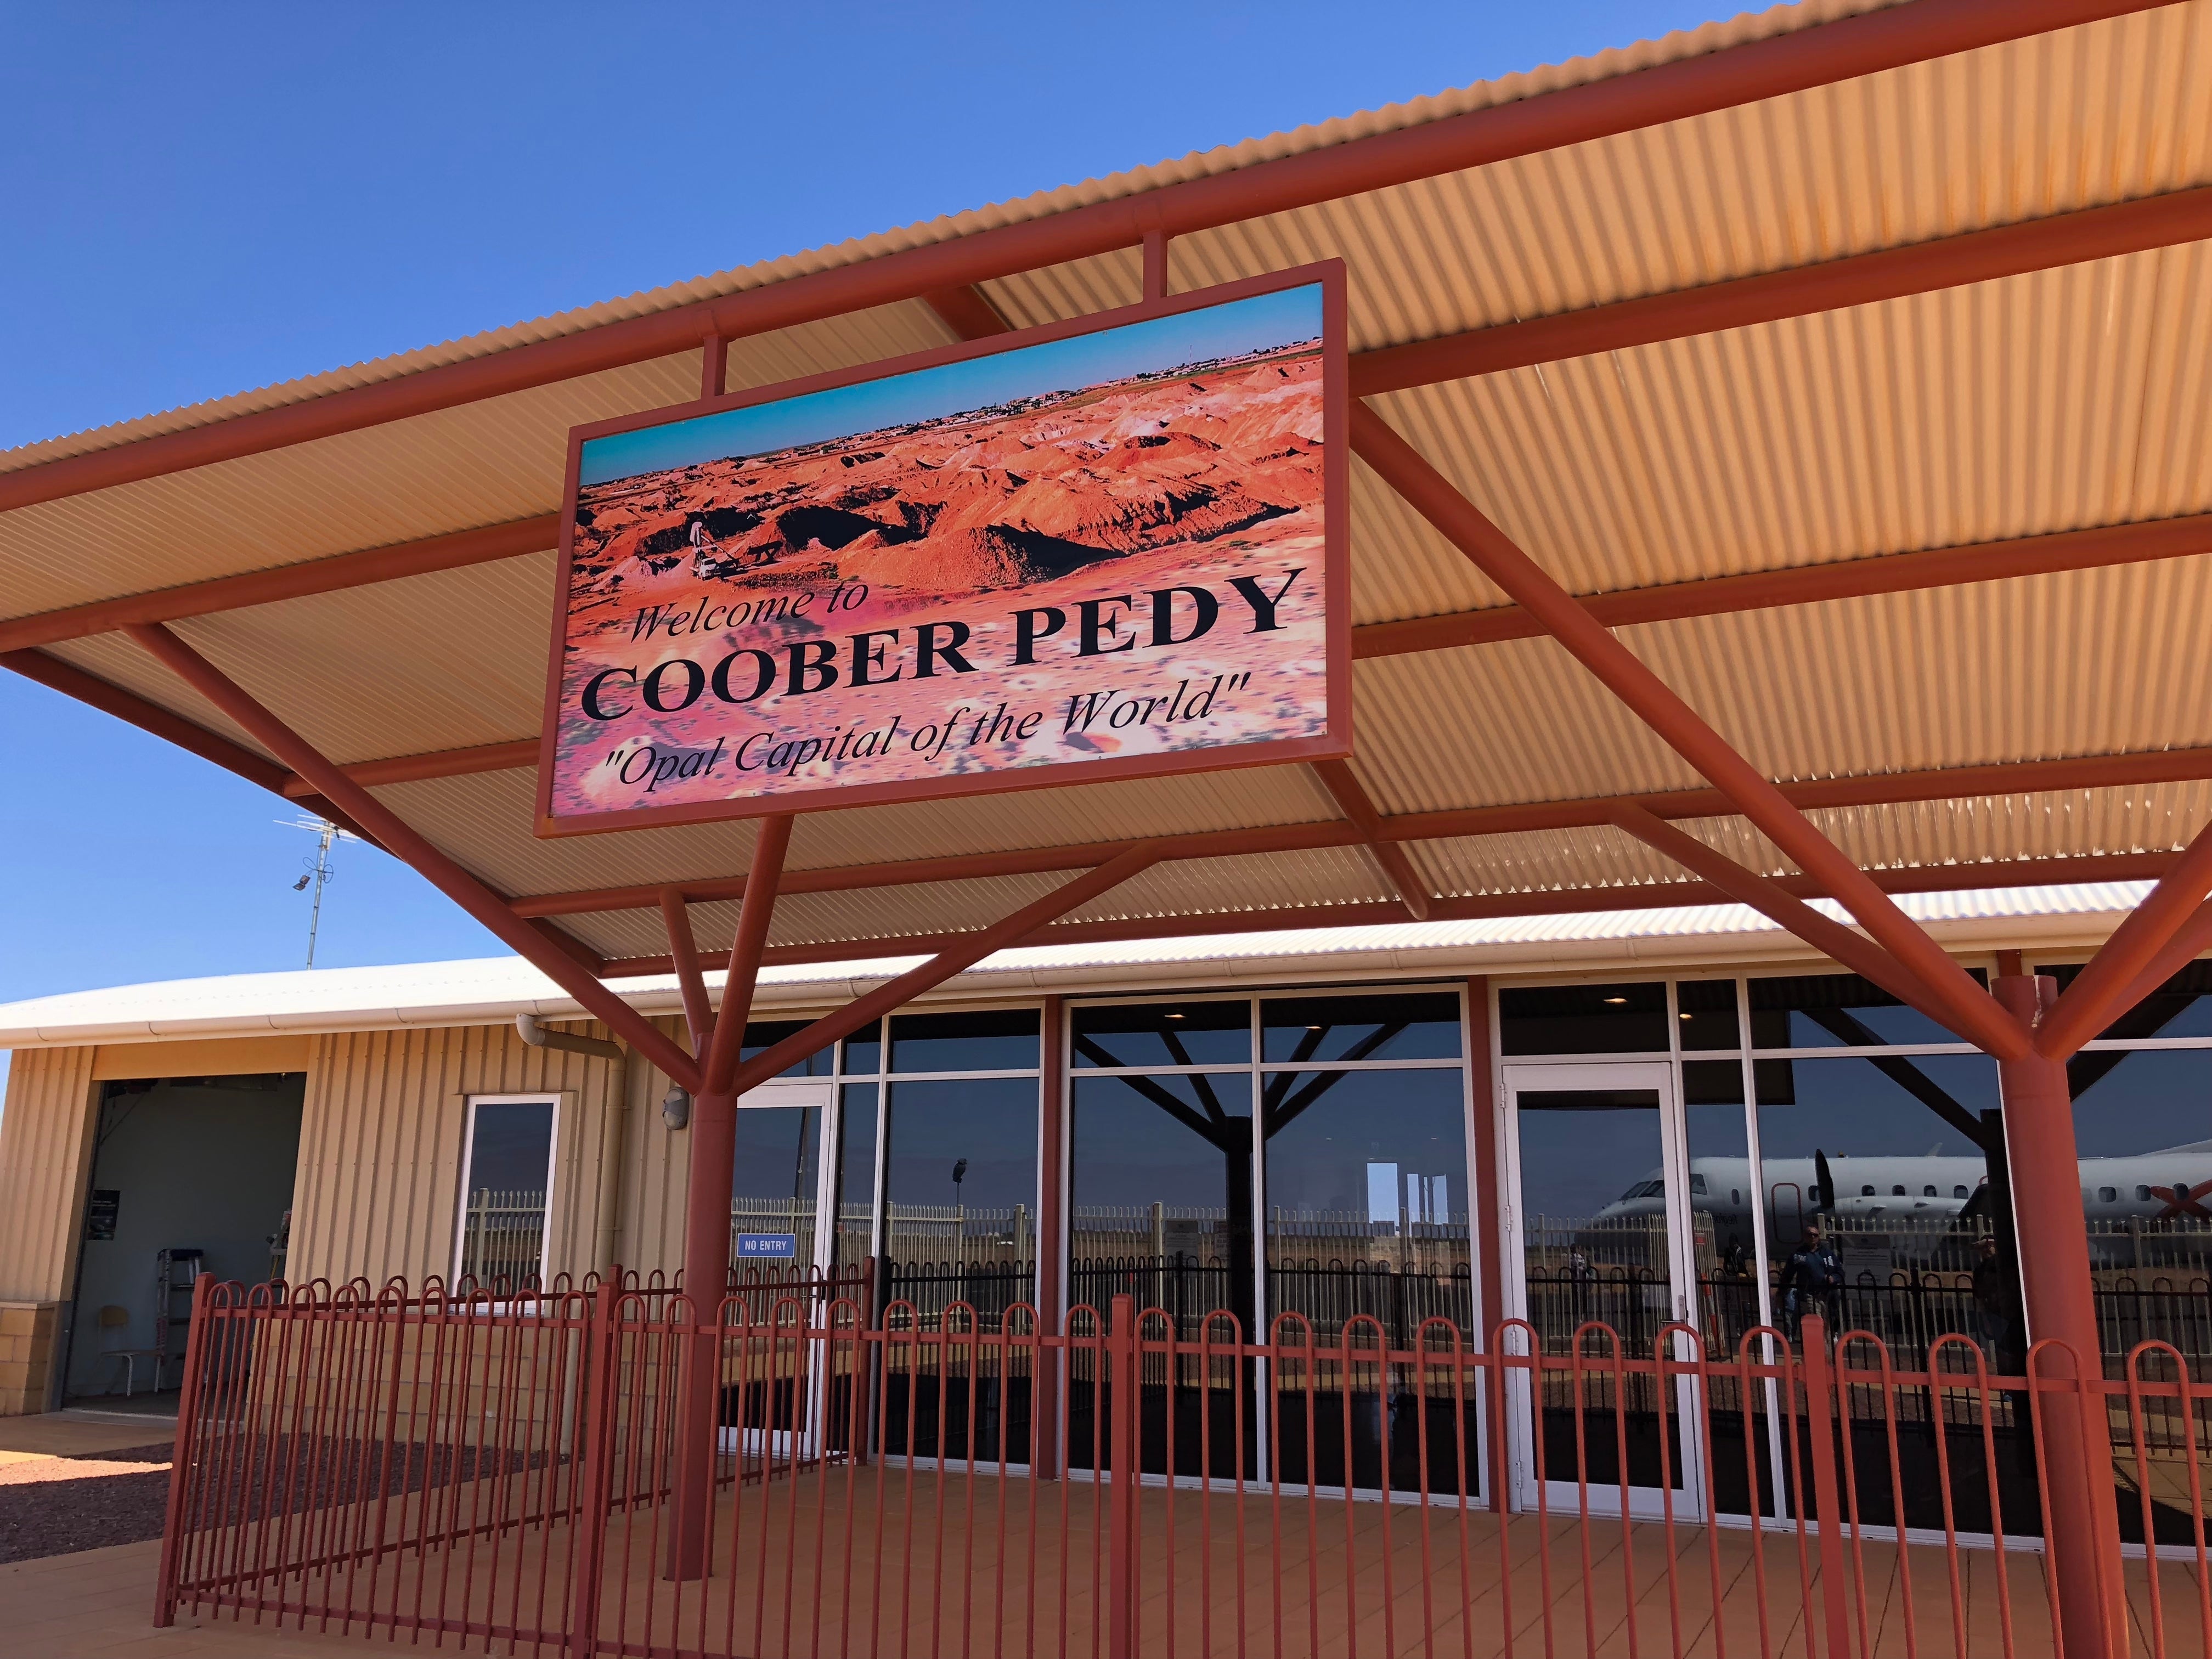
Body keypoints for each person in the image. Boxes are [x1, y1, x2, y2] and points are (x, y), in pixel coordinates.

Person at [1778, 1223, 1842, 1339]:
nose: (1812, 1237)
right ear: (1804, 1236)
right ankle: (1816, 1347)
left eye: (1815, 1235)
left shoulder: (1827, 1254)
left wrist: (1834, 1278)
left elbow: (1840, 1272)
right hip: (1810, 1295)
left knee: (1829, 1324)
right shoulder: (1798, 1255)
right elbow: (1787, 1275)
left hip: (1828, 1294)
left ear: (1819, 1237)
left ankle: (1827, 1348)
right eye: (1809, 1235)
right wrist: (1780, 1293)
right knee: (1816, 1322)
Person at [1970, 1234, 2011, 1359]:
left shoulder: (2004, 1265)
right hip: (1994, 1313)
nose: (1988, 1249)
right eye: (1985, 1247)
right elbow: (1980, 1297)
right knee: (2002, 1350)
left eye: (1991, 1246)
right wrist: (1984, 1318)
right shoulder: (1980, 1270)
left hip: (2009, 1312)